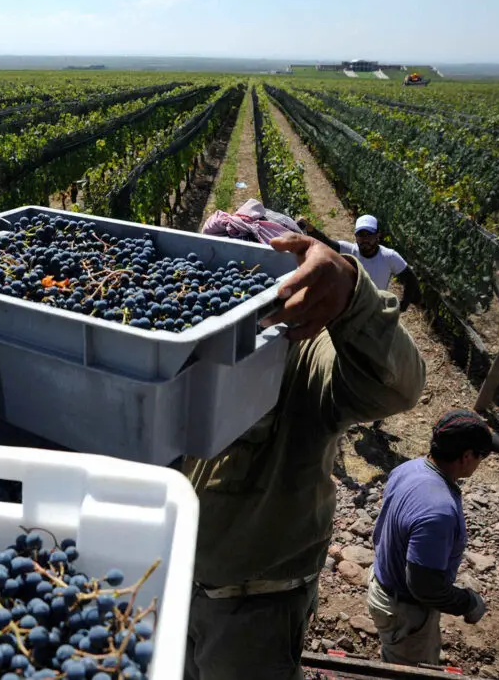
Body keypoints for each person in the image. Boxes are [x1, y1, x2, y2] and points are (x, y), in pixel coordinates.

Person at [182, 232, 426, 680]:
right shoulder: (186, 344)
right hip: (174, 589)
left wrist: (352, 295)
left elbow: (399, 386)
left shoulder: (307, 347)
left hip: (253, 611)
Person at [367, 409, 499, 667]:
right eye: (482, 455)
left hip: (383, 585)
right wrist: (467, 603)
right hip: (404, 610)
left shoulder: (408, 468)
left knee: (397, 656)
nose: (482, 461)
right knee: (406, 672)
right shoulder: (438, 510)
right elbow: (424, 587)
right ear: (466, 457)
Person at [299, 214, 421, 313]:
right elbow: (327, 243)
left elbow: (411, 279)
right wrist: (310, 229)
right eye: (360, 235)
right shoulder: (349, 250)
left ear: (378, 235)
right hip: (350, 306)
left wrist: (403, 305)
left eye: (369, 235)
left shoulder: (389, 257)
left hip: (374, 308)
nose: (365, 240)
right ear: (355, 236)